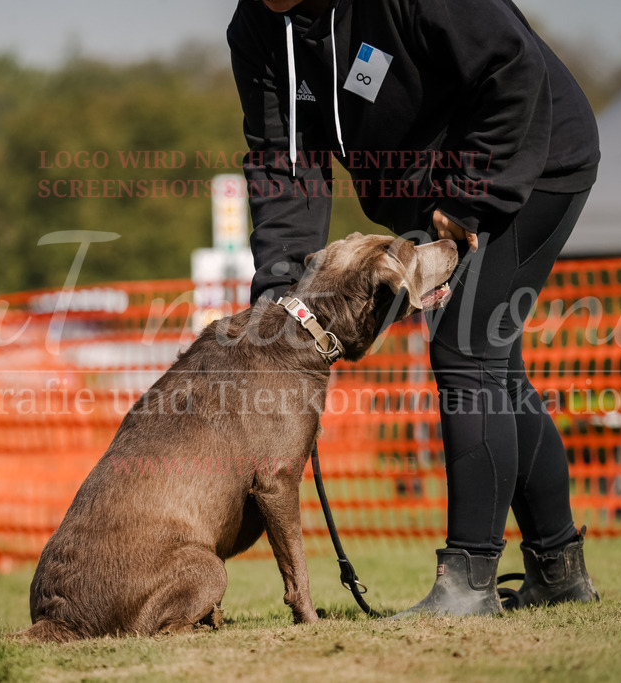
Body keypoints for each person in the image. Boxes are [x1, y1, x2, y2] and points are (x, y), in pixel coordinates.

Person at [227, 0, 600, 615]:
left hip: (530, 160)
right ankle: (558, 573)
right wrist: (279, 283)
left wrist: (469, 195)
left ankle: (468, 583)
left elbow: (512, 65)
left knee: (466, 350)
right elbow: (281, 158)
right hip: (427, 194)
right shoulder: (259, 29)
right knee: (498, 373)